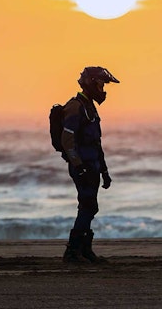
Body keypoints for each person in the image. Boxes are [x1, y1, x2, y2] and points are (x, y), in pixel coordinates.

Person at [61, 66, 120, 263]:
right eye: (101, 84)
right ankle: (72, 252)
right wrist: (79, 167)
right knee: (88, 205)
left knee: (90, 207)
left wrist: (104, 170)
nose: (103, 88)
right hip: (83, 167)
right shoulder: (75, 106)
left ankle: (85, 250)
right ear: (91, 82)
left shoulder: (90, 107)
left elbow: (96, 142)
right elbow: (67, 140)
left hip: (93, 166)